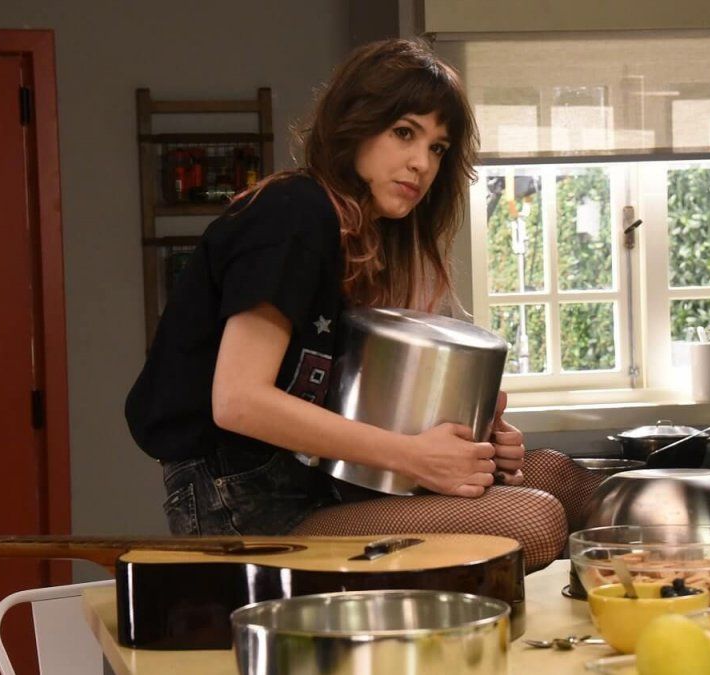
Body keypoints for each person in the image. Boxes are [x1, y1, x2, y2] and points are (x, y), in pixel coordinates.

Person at [126, 38, 603, 570]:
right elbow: (238, 402)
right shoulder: (292, 213)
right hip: (242, 504)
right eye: (404, 133)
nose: (421, 164)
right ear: (354, 123)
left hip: (323, 478)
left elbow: (358, 404)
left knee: (558, 475)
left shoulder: (369, 238)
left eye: (438, 148)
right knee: (533, 519)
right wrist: (416, 458)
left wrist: (479, 448)